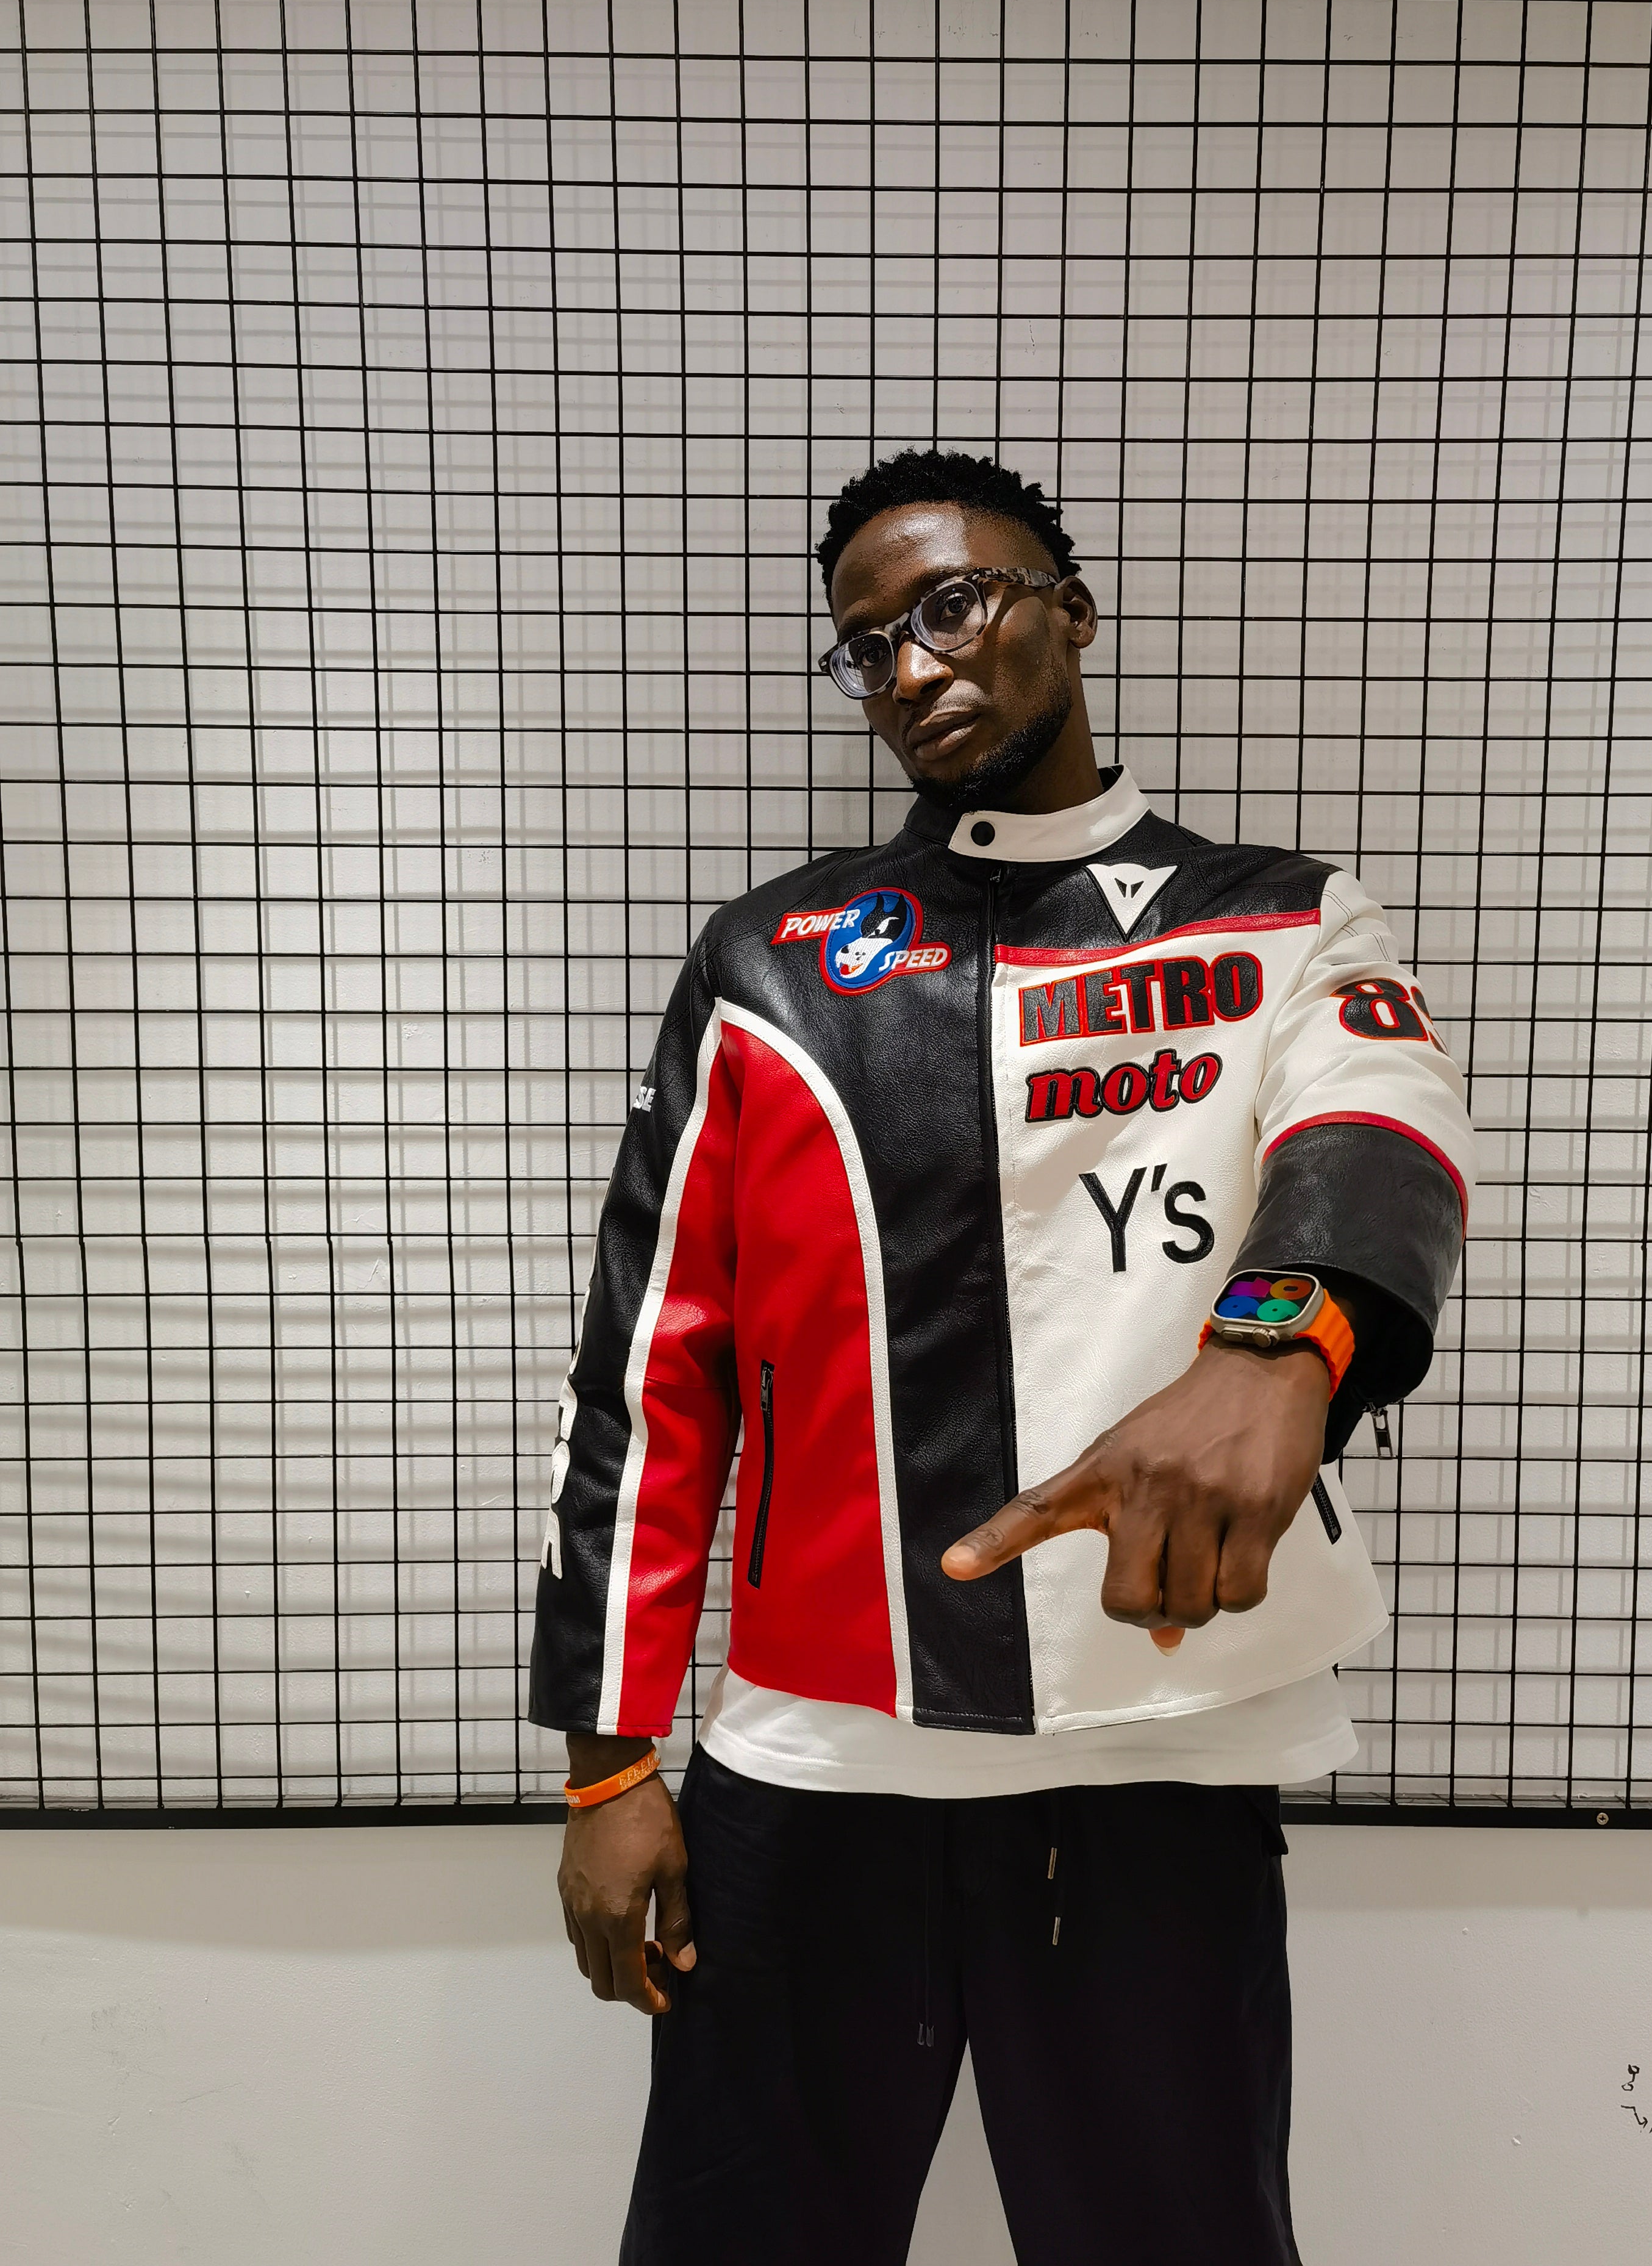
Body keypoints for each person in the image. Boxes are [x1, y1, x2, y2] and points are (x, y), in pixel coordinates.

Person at [531, 448, 1474, 2266]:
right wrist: (603, 1765)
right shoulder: (774, 963)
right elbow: (653, 1379)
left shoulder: (1284, 917)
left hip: (1159, 1759)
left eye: (951, 605)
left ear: (1072, 610)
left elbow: (1386, 1124)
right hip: (808, 1766)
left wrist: (1284, 1344)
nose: (910, 666)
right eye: (866, 642)